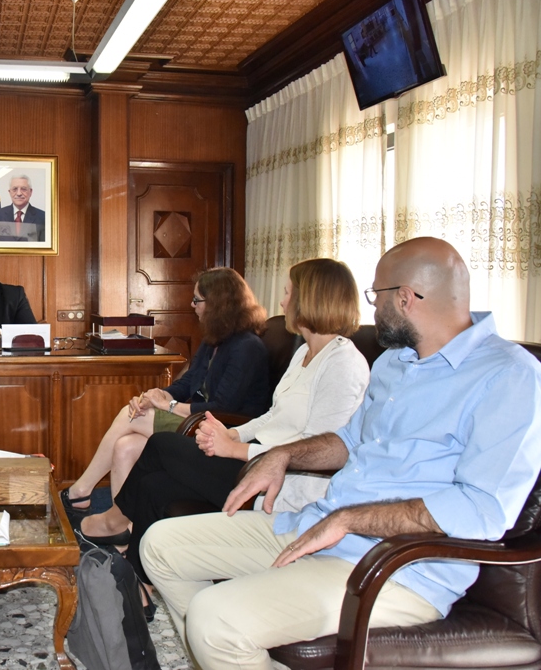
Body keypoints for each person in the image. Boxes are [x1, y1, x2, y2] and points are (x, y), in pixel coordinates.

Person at [140, 237, 541, 670]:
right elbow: (348, 441)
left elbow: (484, 509)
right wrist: (282, 455)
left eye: (376, 295)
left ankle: (227, 642)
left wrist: (348, 519)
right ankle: (236, 655)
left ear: (405, 298)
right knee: (160, 546)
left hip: (397, 568)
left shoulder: (510, 375)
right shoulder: (394, 363)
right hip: (317, 526)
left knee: (215, 617)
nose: (372, 308)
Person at [82, 259, 369, 584]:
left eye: (288, 293)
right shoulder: (303, 354)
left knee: (161, 444)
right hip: (256, 459)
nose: (282, 302)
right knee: (153, 486)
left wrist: (235, 450)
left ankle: (113, 521)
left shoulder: (343, 364)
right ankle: (142, 587)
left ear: (311, 299)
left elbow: (318, 449)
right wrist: (232, 433)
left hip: (281, 484)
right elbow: (272, 417)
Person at [62, 267, 270, 523]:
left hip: (222, 430)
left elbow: (223, 407)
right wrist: (158, 395)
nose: (192, 305)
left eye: (197, 299)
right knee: (125, 446)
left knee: (131, 415)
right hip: (199, 419)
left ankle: (81, 491)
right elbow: (188, 383)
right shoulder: (214, 340)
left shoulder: (247, 347)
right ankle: (124, 528)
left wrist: (168, 406)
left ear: (218, 304)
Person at [0, 175, 45, 242]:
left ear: (30, 192)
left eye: (23, 189)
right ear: (10, 192)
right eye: (15, 189)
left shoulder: (43, 217)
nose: (19, 193)